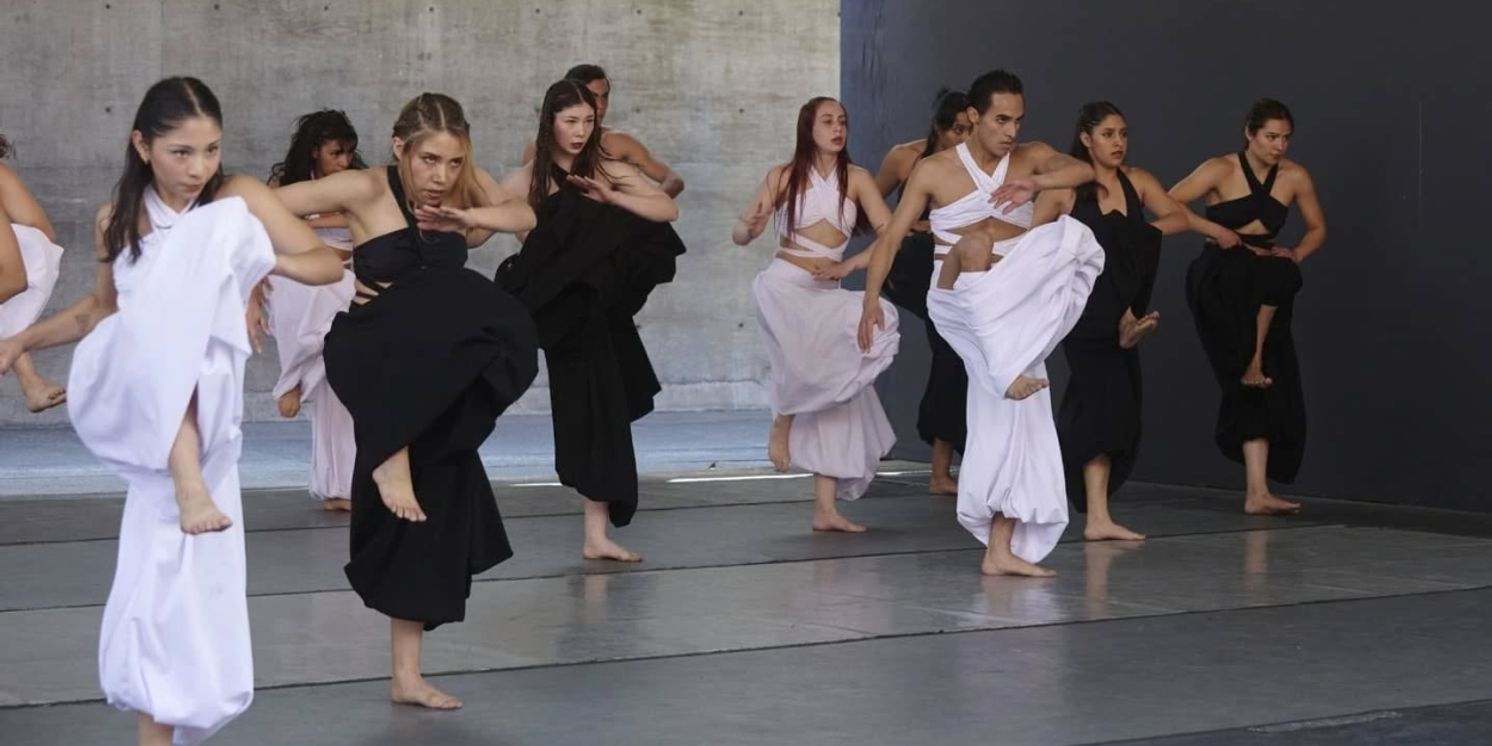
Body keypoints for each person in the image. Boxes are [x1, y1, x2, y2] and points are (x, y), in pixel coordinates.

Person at [0, 76, 344, 746]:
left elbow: (325, 264)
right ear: (142, 145)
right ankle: (185, 484)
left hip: (210, 413)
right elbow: (100, 310)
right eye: (181, 152)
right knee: (159, 590)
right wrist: (20, 341)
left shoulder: (235, 204)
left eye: (210, 150)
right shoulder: (117, 219)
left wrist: (242, 263)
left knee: (176, 595)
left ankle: (167, 733)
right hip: (138, 395)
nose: (199, 168)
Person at [276, 92, 540, 710]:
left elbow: (525, 216)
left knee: (428, 513)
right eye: (429, 161)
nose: (441, 176)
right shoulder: (364, 188)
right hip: (375, 352)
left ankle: (407, 676)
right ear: (400, 149)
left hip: (430, 375)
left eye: (453, 162)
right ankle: (386, 444)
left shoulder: (459, 188)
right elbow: (262, 204)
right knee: (435, 310)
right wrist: (308, 247)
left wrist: (466, 220)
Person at [857, 70, 1102, 576]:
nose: (1011, 130)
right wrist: (870, 301)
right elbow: (891, 238)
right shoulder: (933, 170)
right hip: (959, 299)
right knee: (975, 243)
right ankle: (1002, 365)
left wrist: (1035, 182)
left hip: (1013, 305)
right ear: (973, 116)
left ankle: (1000, 549)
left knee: (1015, 422)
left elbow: (1080, 172)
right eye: (1000, 119)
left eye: (1018, 120)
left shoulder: (1030, 156)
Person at [496, 79, 683, 563]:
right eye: (570, 121)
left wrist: (612, 198)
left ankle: (595, 534)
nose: (580, 131)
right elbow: (483, 225)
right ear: (550, 122)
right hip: (561, 317)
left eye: (588, 120)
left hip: (602, 312)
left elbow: (666, 207)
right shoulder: (526, 179)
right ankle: (594, 532)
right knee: (583, 418)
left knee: (606, 417)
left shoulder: (606, 168)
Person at [733, 96, 898, 533]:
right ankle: (782, 422)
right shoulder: (783, 176)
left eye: (842, 121)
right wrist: (750, 226)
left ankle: (826, 508)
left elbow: (891, 234)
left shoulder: (858, 179)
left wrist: (849, 266)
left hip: (828, 291)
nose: (837, 128)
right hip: (784, 286)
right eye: (827, 121)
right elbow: (740, 233)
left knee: (840, 390)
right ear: (809, 128)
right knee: (805, 366)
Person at [1033, 101, 1193, 540]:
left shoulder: (1137, 182)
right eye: (1107, 134)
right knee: (1105, 409)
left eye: (1122, 133)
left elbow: (1176, 216)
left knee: (1103, 409)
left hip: (1124, 306)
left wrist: (1139, 235)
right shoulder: (1067, 191)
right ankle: (1098, 517)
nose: (1118, 142)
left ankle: (1076, 490)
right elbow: (1031, 240)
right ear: (1085, 138)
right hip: (1084, 315)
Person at [1168, 98, 1326, 515]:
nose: (1279, 146)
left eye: (1286, 138)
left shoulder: (1294, 176)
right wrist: (1213, 228)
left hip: (1265, 282)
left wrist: (1297, 253)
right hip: (1223, 276)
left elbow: (1317, 227)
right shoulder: (1220, 168)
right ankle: (1250, 357)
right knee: (1246, 362)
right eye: (1271, 137)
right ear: (1250, 134)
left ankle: (1257, 491)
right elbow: (1167, 202)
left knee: (1264, 376)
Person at [260, 109, 367, 510]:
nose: (344, 161)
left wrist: (311, 219)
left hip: (346, 279)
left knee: (338, 393)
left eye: (348, 153)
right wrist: (326, 219)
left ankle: (340, 488)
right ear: (314, 152)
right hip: (298, 279)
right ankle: (295, 374)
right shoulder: (282, 185)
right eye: (336, 153)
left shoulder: (357, 184)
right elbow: (265, 225)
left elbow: (362, 224)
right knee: (302, 285)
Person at [871, 89, 970, 495]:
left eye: (970, 129)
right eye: (956, 131)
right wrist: (906, 225)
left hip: (956, 269)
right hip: (913, 266)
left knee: (958, 354)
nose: (963, 139)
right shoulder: (906, 157)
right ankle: (940, 470)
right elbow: (866, 202)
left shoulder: (977, 165)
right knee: (952, 350)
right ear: (938, 128)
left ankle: (944, 467)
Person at [519, 64, 685, 197]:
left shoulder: (616, 142)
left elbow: (674, 180)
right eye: (592, 96)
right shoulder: (538, 148)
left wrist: (638, 216)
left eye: (604, 96)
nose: (601, 105)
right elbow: (525, 208)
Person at [0, 134, 67, 412]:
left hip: (28, 263)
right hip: (30, 257)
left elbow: (14, 279)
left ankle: (32, 383)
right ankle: (32, 384)